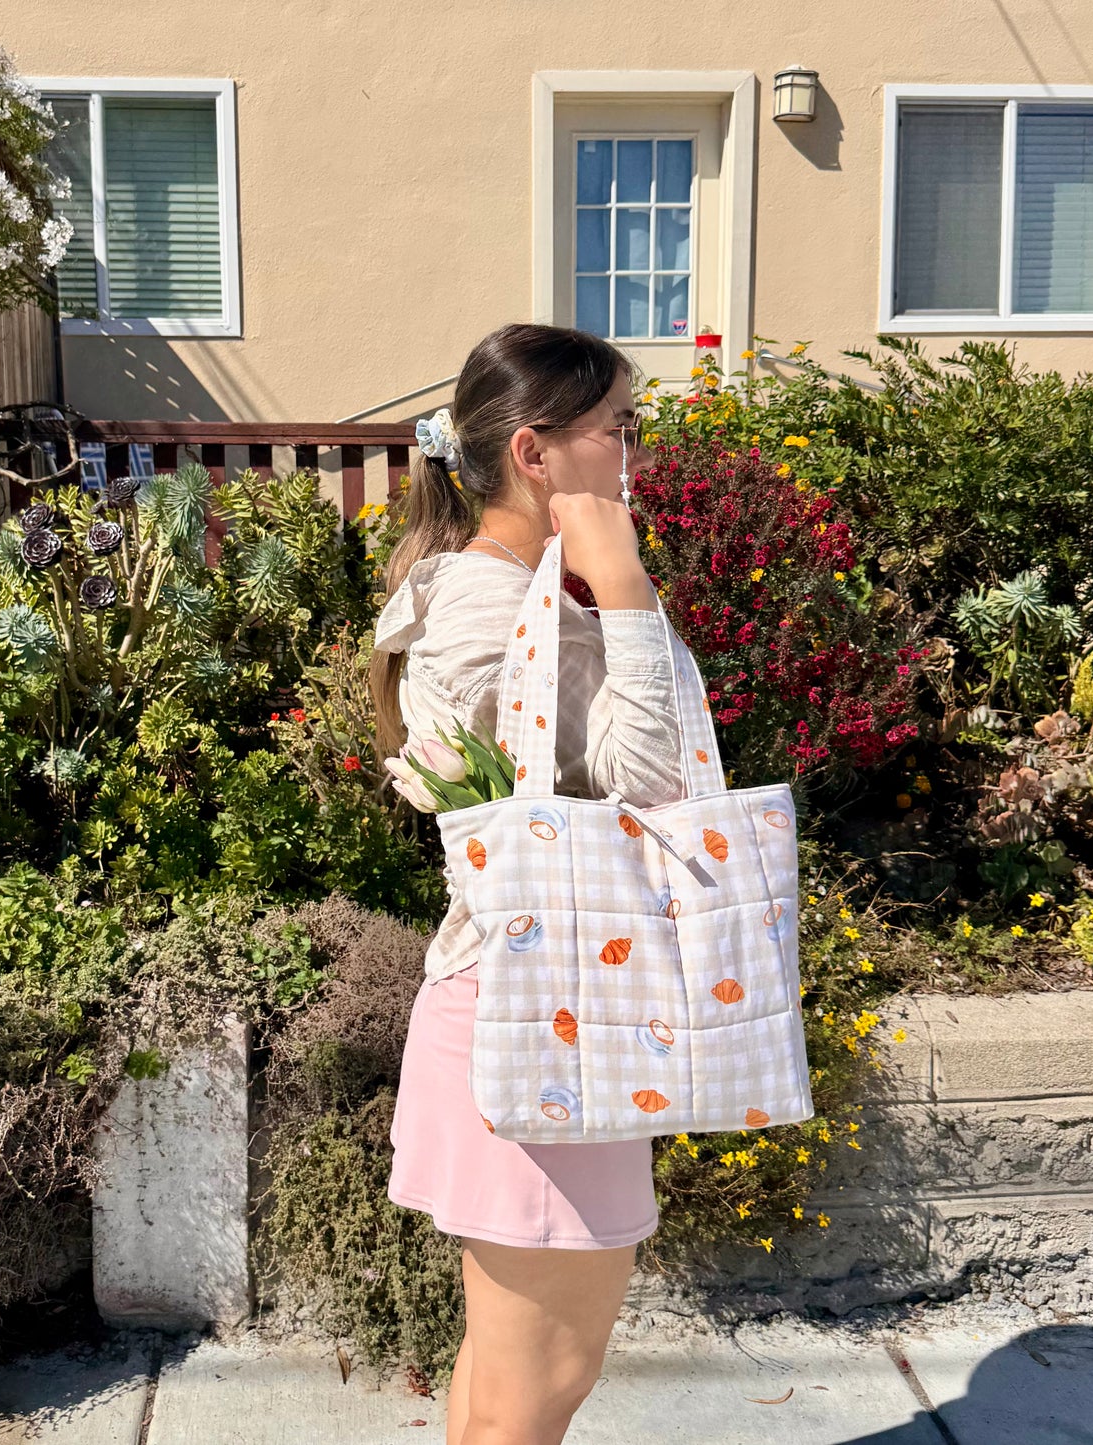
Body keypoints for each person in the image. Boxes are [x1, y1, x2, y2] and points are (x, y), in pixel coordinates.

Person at [369, 322, 691, 1445]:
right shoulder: (490, 601)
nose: (634, 449)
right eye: (617, 426)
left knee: (510, 1375)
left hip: (549, 1008)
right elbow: (645, 781)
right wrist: (624, 578)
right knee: (535, 1382)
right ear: (533, 451)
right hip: (541, 1015)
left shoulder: (507, 583)